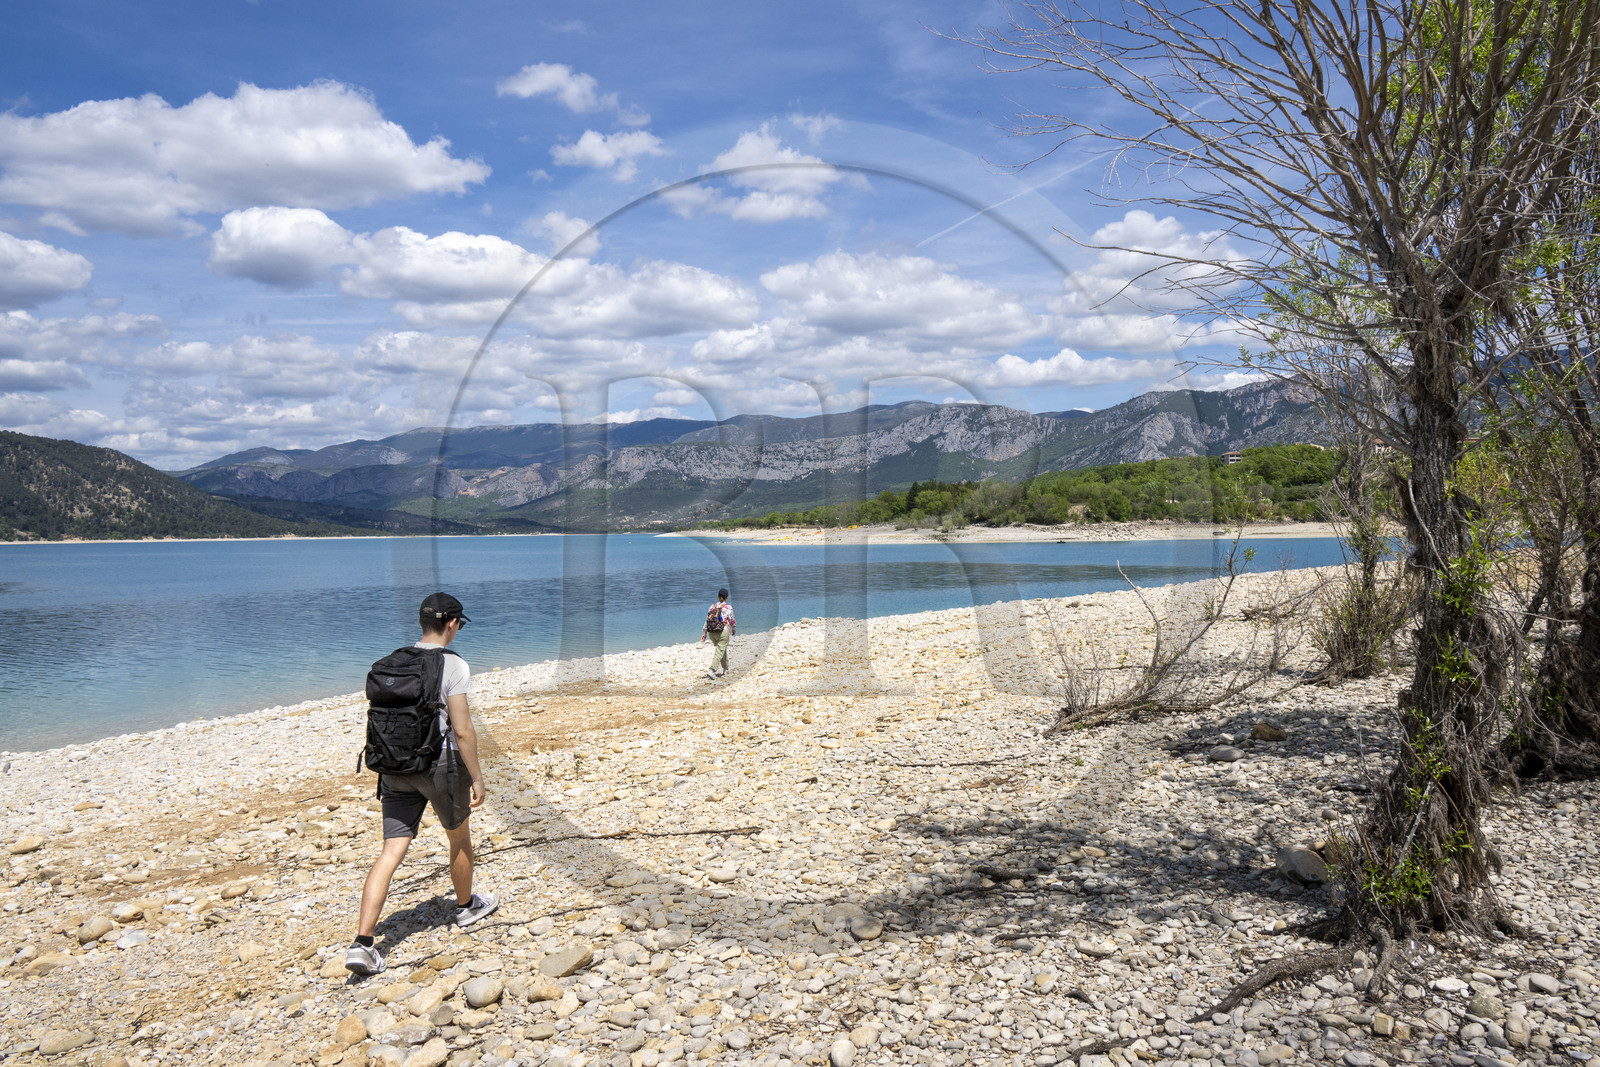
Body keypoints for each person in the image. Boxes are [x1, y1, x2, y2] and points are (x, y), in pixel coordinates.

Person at [346, 592, 499, 976]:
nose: (459, 629)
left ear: (422, 622)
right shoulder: (453, 665)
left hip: (394, 766)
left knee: (390, 852)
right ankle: (467, 908)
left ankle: (363, 944)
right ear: (451, 623)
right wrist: (477, 776)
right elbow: (463, 731)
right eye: (459, 624)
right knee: (458, 836)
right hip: (440, 766)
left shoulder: (395, 661)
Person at [700, 587, 736, 679]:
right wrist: (733, 629)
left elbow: (707, 620)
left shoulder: (712, 606)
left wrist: (704, 633)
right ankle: (712, 670)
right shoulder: (728, 607)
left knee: (721, 648)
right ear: (727, 597)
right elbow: (732, 620)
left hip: (711, 632)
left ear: (718, 596)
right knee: (720, 650)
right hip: (722, 631)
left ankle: (726, 668)